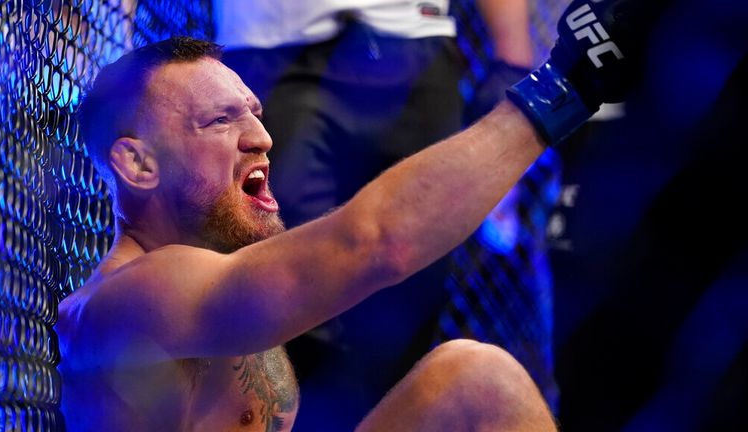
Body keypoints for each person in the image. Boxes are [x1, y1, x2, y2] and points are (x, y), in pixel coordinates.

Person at [57, 0, 636, 429]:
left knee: (474, 378)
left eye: (254, 115)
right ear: (137, 165)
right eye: (219, 121)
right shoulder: (131, 299)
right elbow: (375, 243)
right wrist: (564, 83)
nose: (261, 137)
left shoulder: (219, 277)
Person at [213, 3, 537, 427]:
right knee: (291, 281)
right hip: (272, 44)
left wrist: (513, 58)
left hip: (414, 40)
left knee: (411, 296)